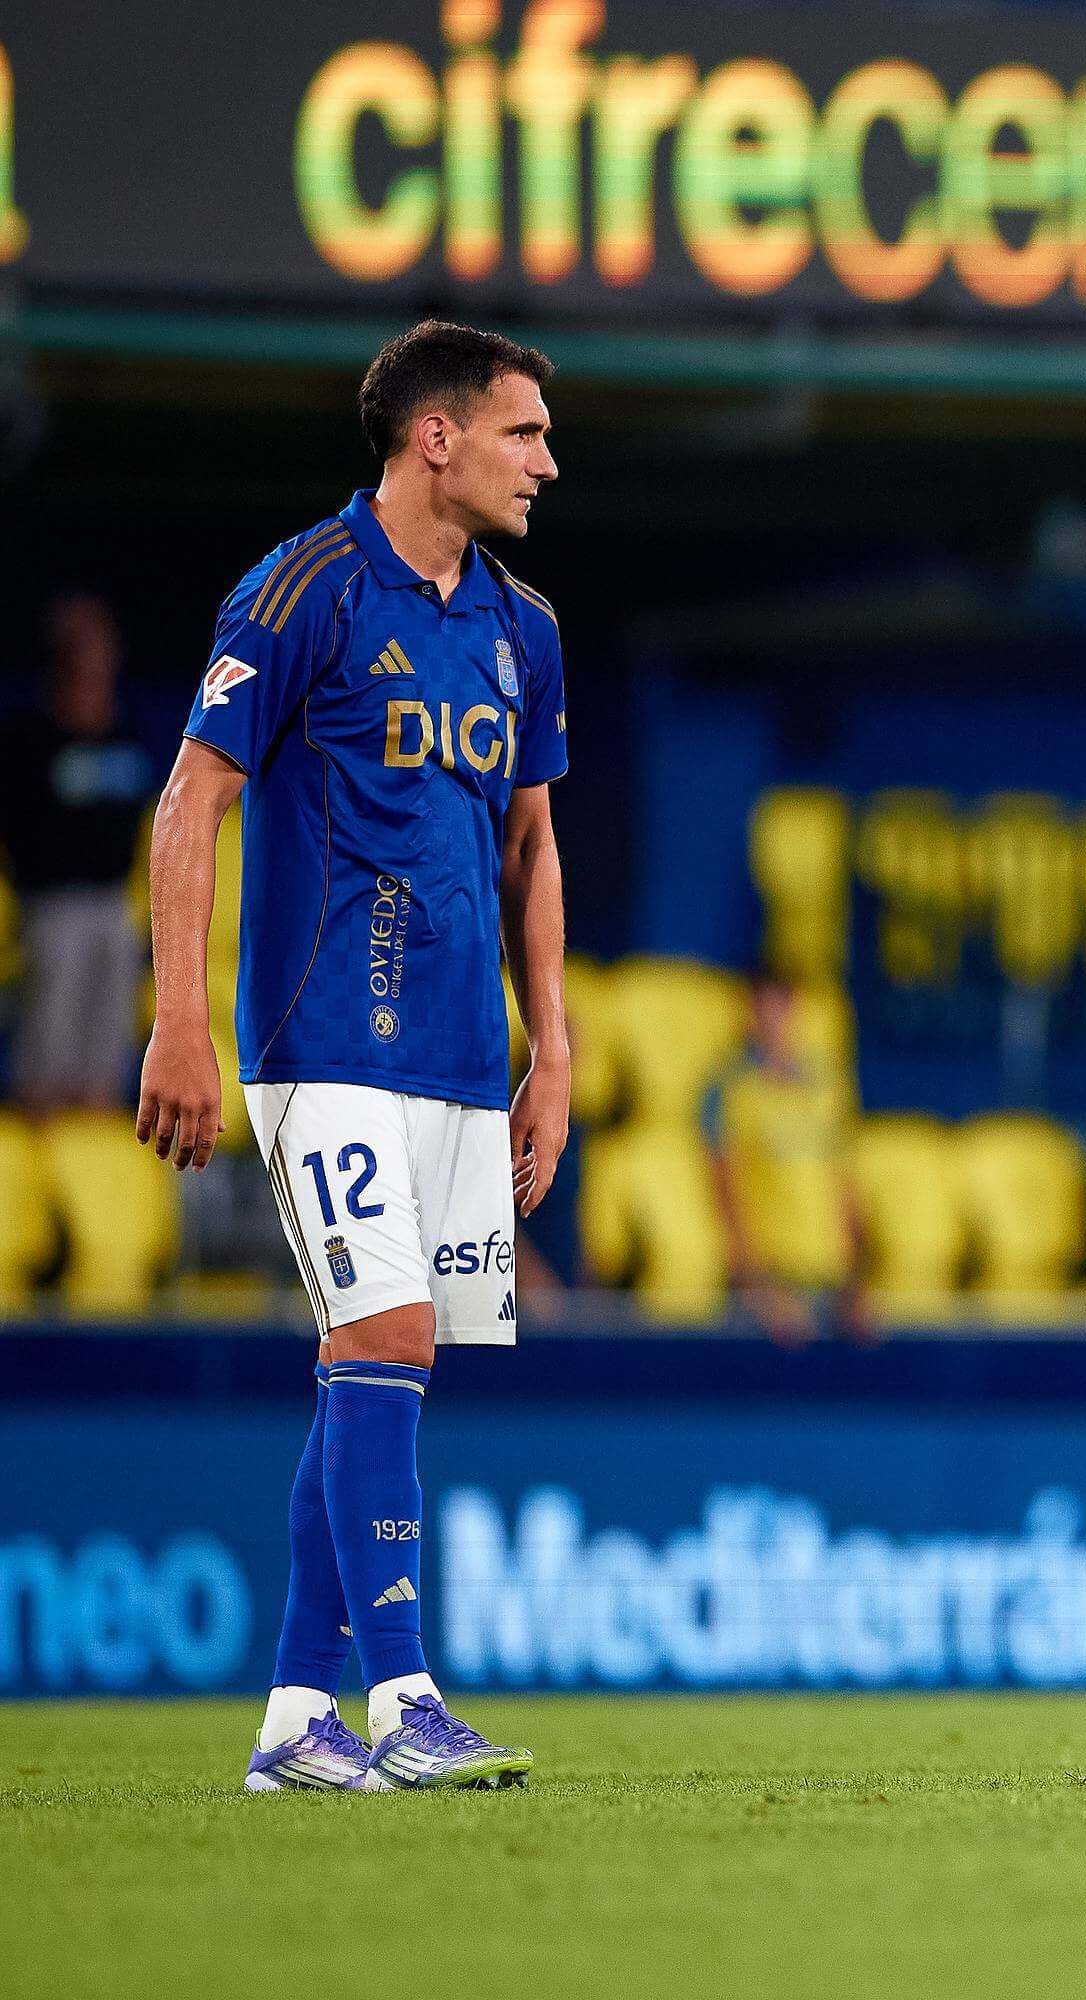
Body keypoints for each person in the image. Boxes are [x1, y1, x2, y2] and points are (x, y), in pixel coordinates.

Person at [137, 320, 566, 1793]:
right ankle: (405, 1703)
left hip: (457, 1052)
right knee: (383, 1345)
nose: (546, 461)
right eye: (524, 432)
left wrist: (551, 1050)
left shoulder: (523, 628)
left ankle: (292, 1724)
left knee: (381, 1365)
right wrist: (179, 1018)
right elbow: (190, 800)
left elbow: (529, 841)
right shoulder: (303, 588)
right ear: (434, 438)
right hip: (324, 1038)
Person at [1, 594, 156, 1110]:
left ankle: (90, 1157)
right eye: (84, 652)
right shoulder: (30, 738)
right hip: (54, 907)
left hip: (113, 905)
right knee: (49, 1047)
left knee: (106, 1053)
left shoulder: (128, 732)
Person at [708, 975, 870, 1345]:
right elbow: (722, 1191)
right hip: (772, 1284)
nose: (771, 1019)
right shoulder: (728, 1089)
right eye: (761, 1007)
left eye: (780, 1006)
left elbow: (845, 1184)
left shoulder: (829, 1085)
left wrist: (859, 1282)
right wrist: (758, 1288)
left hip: (831, 1278)